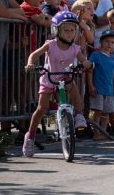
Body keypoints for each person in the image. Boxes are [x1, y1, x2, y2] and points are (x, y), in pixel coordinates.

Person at [22, 12, 93, 157]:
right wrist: (30, 63)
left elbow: (83, 59)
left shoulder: (74, 48)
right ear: (56, 30)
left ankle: (79, 114)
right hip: (49, 77)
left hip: (64, 76)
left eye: (72, 30)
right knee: (42, 108)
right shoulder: (51, 45)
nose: (69, 33)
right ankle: (30, 137)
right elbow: (34, 55)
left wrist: (86, 63)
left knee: (73, 87)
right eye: (66, 30)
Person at [87, 29, 114, 141]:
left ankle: (104, 132)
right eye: (107, 41)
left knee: (106, 113)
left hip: (109, 90)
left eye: (112, 42)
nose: (109, 44)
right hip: (98, 89)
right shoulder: (96, 55)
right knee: (97, 112)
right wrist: (91, 85)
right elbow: (90, 71)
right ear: (101, 42)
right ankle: (96, 133)